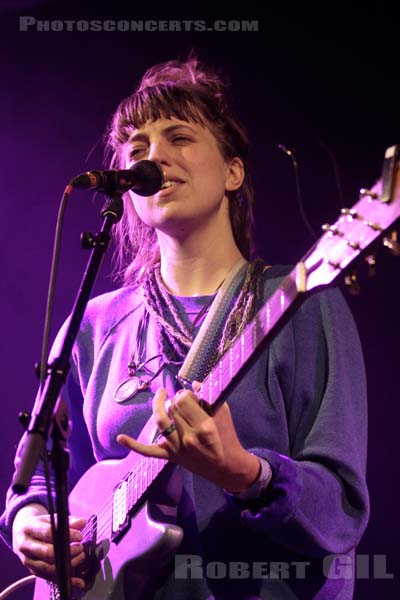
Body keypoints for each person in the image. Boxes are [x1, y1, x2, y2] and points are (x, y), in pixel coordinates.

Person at [0, 56, 369, 599]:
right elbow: (36, 476)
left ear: (233, 172)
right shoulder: (95, 325)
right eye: (137, 147)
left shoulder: (302, 302)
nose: (154, 156)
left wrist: (247, 473)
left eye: (179, 136)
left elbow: (342, 509)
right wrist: (30, 522)